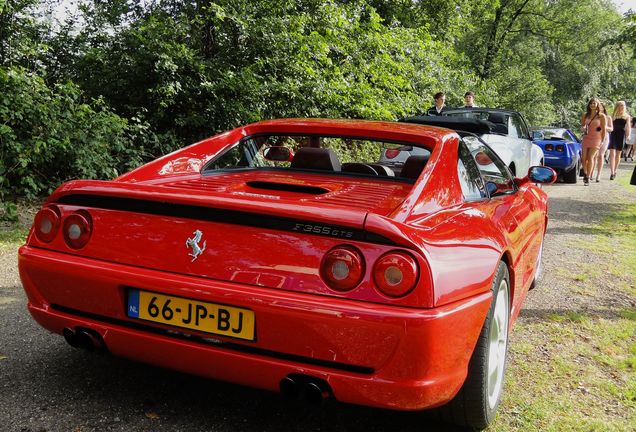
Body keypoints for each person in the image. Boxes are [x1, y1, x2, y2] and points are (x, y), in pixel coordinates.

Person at [580, 97, 606, 186]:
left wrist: (602, 140)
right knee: (584, 158)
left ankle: (587, 177)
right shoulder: (585, 115)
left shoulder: (602, 116)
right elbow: (582, 126)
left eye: (594, 103)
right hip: (586, 138)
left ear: (597, 105)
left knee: (590, 157)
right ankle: (585, 172)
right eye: (591, 103)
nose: (592, 105)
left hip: (596, 139)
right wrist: (583, 128)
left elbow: (603, 129)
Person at [608, 100, 631, 180]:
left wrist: (628, 135)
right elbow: (609, 126)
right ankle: (611, 172)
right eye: (620, 105)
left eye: (623, 106)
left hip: (621, 135)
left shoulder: (627, 116)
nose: (621, 107)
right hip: (613, 135)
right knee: (612, 153)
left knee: (618, 154)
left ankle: (615, 170)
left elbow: (628, 126)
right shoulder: (612, 116)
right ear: (617, 106)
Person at [593, 102, 612, 182]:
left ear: (604, 108)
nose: (599, 108)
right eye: (598, 107)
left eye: (601, 107)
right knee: (594, 155)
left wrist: (604, 127)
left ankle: (599, 174)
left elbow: (611, 129)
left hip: (604, 137)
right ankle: (591, 172)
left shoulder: (608, 117)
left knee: (601, 155)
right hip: (594, 137)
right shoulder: (594, 117)